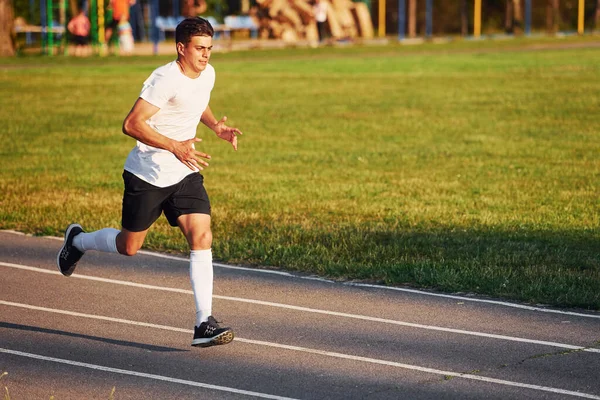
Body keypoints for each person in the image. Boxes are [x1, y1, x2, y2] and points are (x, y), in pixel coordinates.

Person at [57, 17, 243, 348]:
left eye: (210, 49)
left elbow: (196, 101)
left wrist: (215, 126)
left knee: (201, 234)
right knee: (130, 246)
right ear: (181, 47)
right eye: (199, 49)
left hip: (184, 171)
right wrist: (174, 146)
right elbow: (131, 124)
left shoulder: (208, 74)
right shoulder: (163, 79)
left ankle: (204, 322)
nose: (206, 56)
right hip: (148, 173)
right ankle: (78, 241)